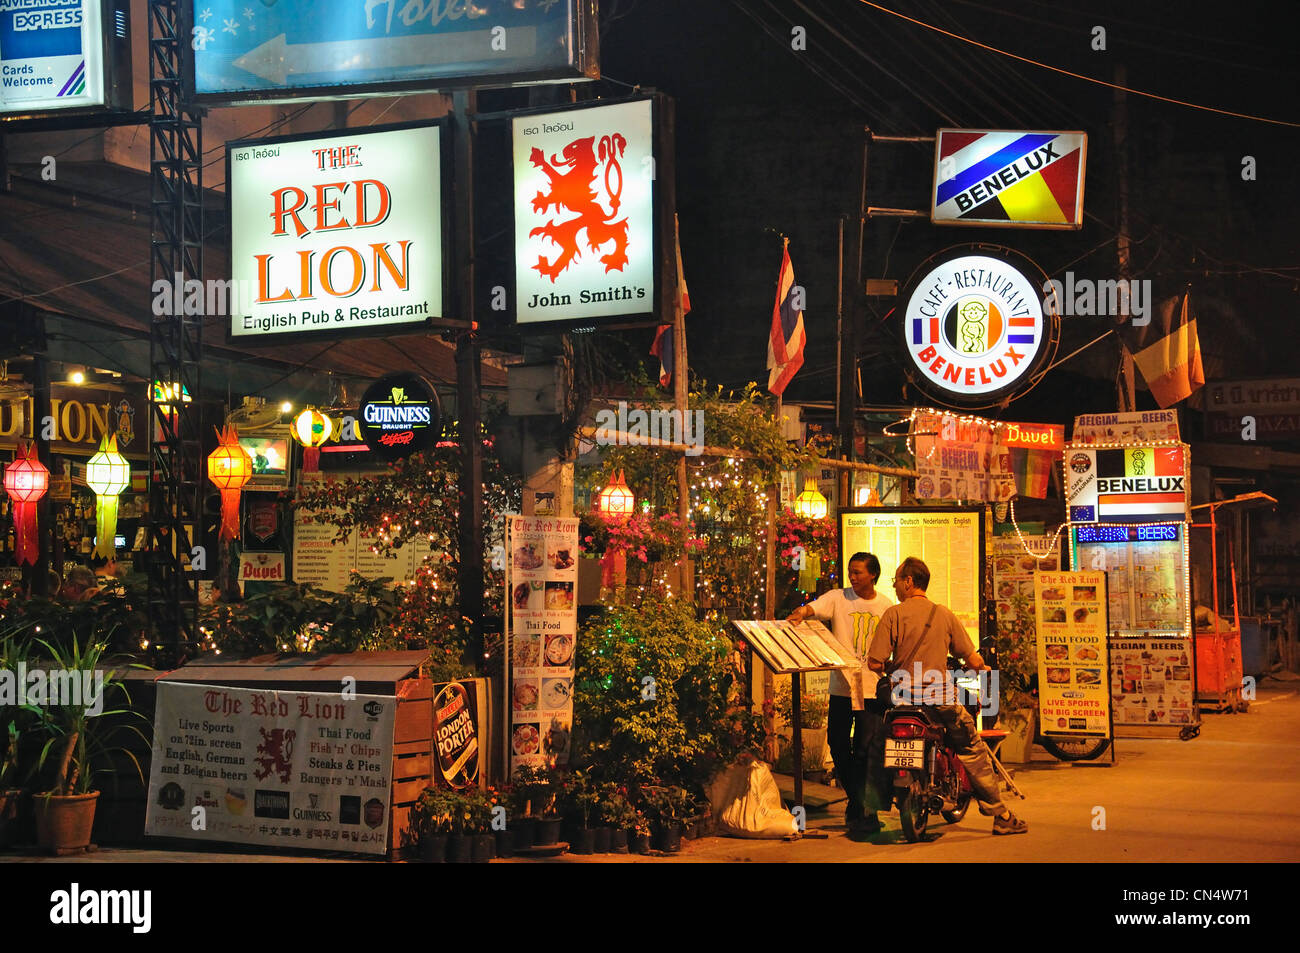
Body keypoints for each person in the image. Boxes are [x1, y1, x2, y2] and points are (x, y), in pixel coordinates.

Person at [867, 556, 1028, 835]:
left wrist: (895, 667)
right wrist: (981, 667)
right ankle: (1000, 814)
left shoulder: (893, 614)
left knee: (877, 745)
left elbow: (874, 663)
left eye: (896, 581)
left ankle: (872, 810)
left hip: (901, 700)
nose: (894, 587)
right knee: (972, 748)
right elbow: (971, 657)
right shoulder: (943, 614)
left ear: (908, 582)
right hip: (938, 698)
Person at [786, 552, 893, 836]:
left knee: (864, 749)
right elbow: (815, 607)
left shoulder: (885, 605)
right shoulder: (838, 597)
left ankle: (860, 809)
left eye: (858, 572)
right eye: (850, 572)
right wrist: (801, 613)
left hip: (872, 688)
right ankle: (857, 800)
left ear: (873, 574)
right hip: (842, 687)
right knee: (836, 743)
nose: (853, 577)